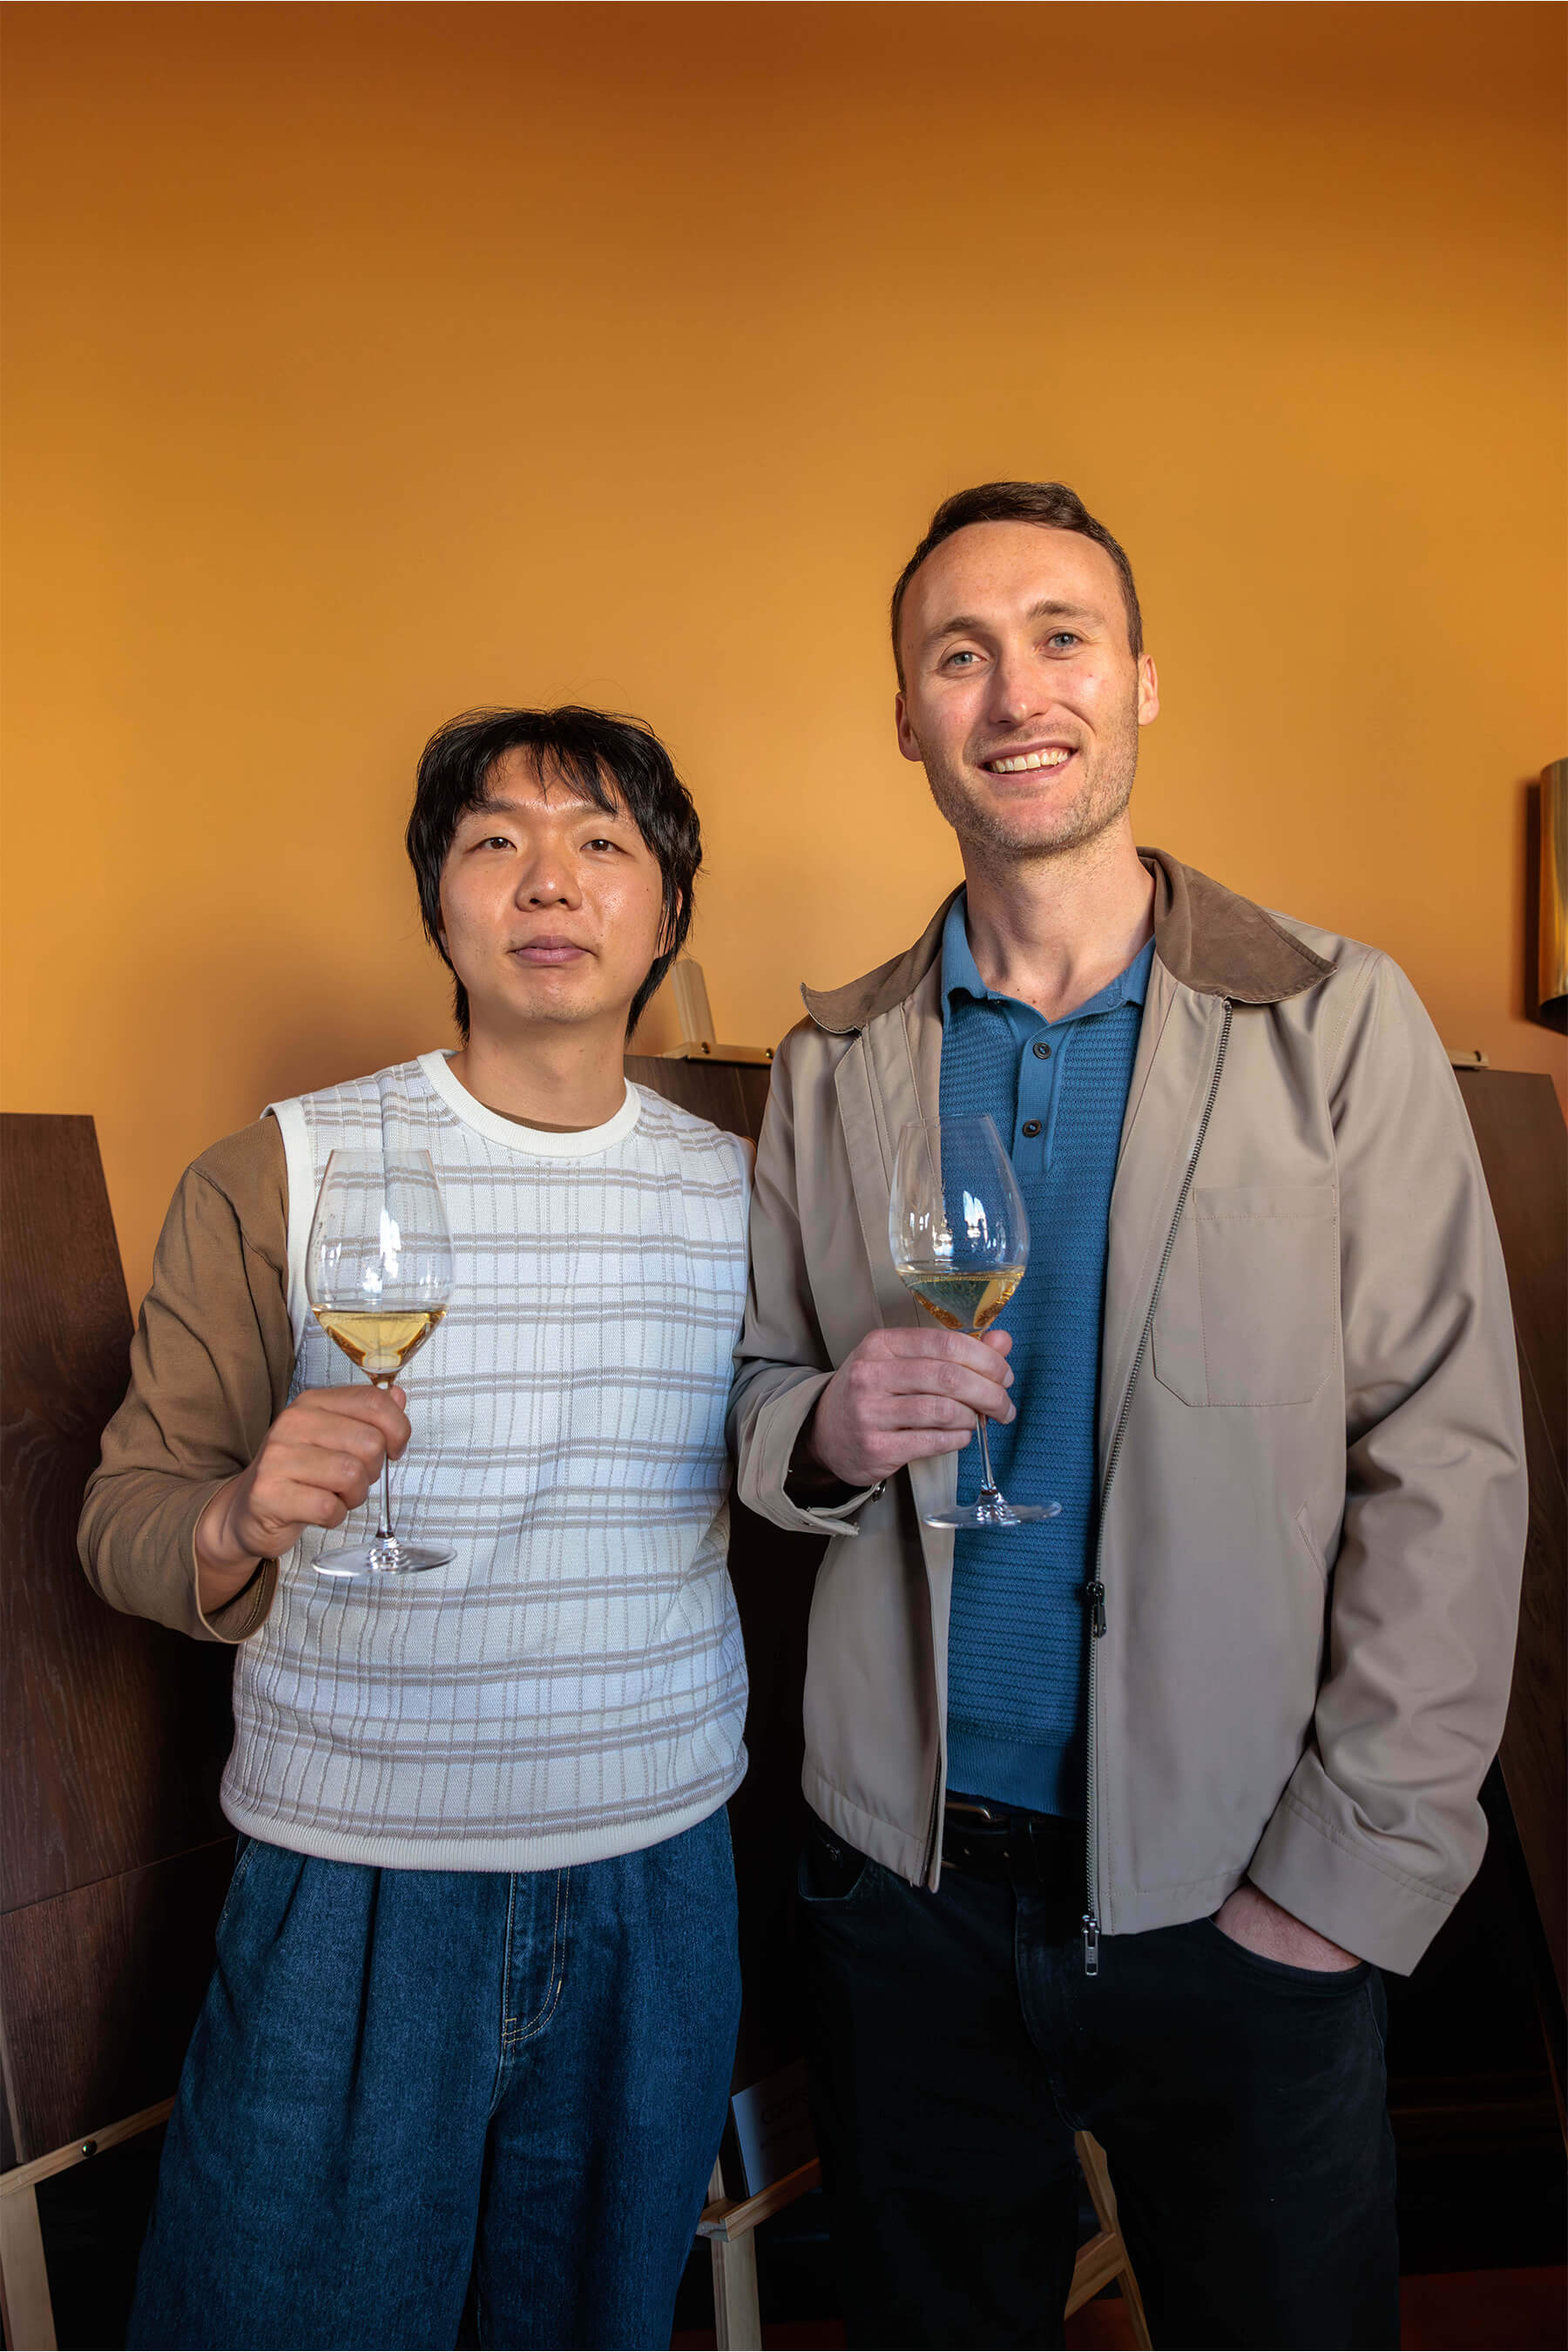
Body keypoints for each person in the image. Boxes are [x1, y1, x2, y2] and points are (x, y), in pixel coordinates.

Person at [729, 482, 1527, 2350]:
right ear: (908, 716)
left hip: (1247, 1892)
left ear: (1143, 681)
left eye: (1062, 638)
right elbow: (759, 1393)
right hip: (906, 1903)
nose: (1018, 694)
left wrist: (1337, 1889)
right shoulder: (834, 1063)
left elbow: (1449, 1462)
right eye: (961, 655)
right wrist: (831, 1426)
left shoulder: (1341, 1019)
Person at [81, 706, 751, 2351]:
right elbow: (123, 1519)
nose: (549, 881)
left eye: (602, 845)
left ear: (665, 908)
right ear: (438, 906)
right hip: (353, 1885)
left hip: (660, 1875)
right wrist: (237, 1513)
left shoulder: (747, 1191)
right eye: (494, 841)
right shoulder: (278, 1171)